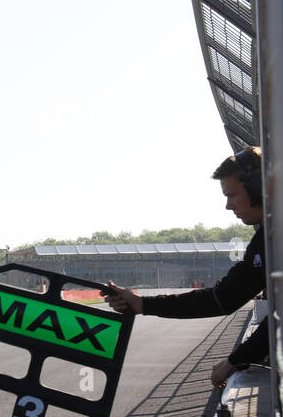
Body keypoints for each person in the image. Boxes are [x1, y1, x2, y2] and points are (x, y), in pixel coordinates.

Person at [102, 147, 265, 388]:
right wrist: (142, 304)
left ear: (258, 189)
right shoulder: (267, 238)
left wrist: (235, 360)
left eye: (231, 195)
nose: (228, 206)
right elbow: (223, 298)